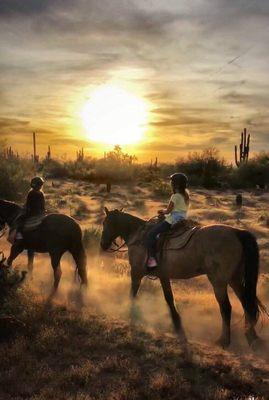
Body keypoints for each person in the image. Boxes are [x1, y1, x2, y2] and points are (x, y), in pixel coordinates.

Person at [145, 173, 189, 269]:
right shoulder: (185, 195)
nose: (170, 184)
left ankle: (153, 260)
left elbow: (168, 210)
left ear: (176, 185)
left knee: (151, 234)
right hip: (182, 219)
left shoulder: (175, 196)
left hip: (172, 220)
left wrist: (162, 211)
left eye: (172, 182)